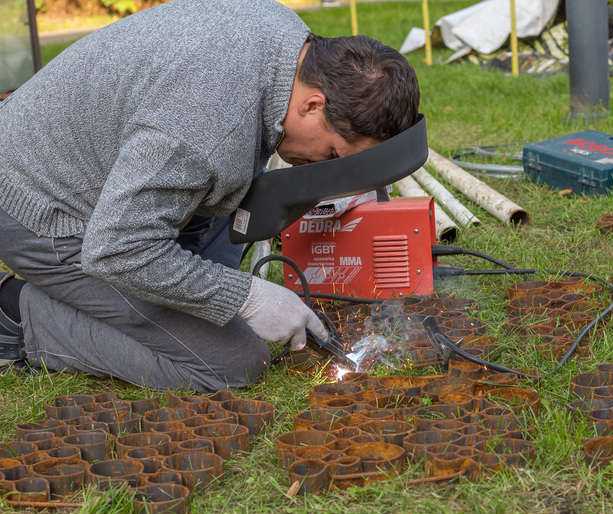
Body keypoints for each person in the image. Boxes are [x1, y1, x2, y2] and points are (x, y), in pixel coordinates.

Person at [0, 0, 420, 392]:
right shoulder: (206, 130)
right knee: (232, 360)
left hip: (95, 169)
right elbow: (117, 250)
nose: (321, 166)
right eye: (330, 154)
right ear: (313, 105)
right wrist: (246, 297)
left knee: (209, 302)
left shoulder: (287, 40)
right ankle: (18, 314)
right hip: (44, 211)